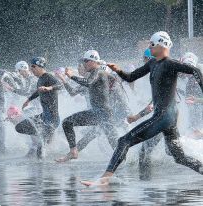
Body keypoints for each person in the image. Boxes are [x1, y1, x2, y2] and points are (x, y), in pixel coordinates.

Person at [81, 31, 203, 186]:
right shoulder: (153, 64)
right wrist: (117, 69)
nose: (149, 47)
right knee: (179, 157)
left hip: (164, 116)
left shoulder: (170, 64)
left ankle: (105, 178)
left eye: (152, 44)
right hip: (166, 116)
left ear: (162, 45)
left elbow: (195, 70)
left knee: (124, 140)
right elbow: (130, 77)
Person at [56, 50, 118, 162]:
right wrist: (64, 80)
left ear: (93, 61)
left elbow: (89, 82)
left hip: (103, 113)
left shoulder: (98, 71)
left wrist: (71, 76)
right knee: (68, 123)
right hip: (98, 113)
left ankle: (130, 162)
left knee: (115, 145)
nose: (84, 64)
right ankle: (72, 152)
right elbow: (73, 92)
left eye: (85, 61)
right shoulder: (93, 75)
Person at [16, 57, 62, 158]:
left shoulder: (48, 76)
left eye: (33, 67)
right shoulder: (40, 79)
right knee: (19, 127)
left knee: (40, 148)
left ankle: (42, 170)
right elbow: (38, 91)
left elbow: (60, 84)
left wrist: (49, 87)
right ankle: (41, 133)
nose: (31, 70)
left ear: (39, 66)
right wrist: (28, 100)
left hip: (52, 119)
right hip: (43, 116)